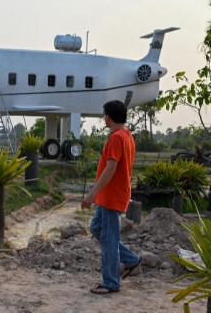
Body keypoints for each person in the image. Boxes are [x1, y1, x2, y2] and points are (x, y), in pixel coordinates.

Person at [81, 100, 142, 294]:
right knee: (97, 228)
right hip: (111, 196)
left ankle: (111, 282)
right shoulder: (127, 136)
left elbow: (111, 168)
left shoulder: (116, 138)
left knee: (108, 239)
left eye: (104, 115)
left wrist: (92, 194)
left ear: (108, 117)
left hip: (111, 196)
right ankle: (131, 260)